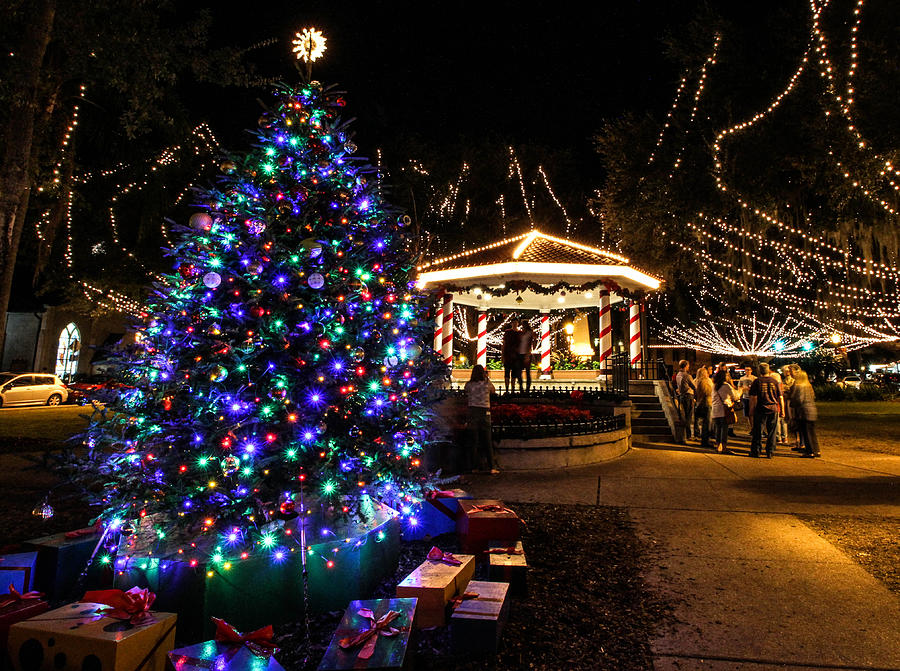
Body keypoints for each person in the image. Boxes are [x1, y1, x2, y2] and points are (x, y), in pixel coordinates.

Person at [464, 364, 499, 474]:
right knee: (487, 440)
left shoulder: (469, 384)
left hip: (472, 411)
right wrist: (487, 378)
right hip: (485, 412)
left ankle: (473, 466)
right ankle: (492, 467)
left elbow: (466, 392)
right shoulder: (487, 384)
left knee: (473, 441)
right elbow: (493, 391)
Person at [748, 362, 783, 458]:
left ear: (759, 371)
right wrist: (782, 410)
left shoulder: (757, 381)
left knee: (758, 431)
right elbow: (780, 397)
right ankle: (770, 451)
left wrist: (751, 409)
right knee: (772, 431)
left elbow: (753, 397)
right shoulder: (774, 381)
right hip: (773, 408)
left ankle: (756, 451)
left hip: (761, 408)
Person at [791, 369, 820, 458]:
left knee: (806, 432)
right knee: (812, 432)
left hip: (803, 411)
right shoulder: (808, 386)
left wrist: (792, 401)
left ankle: (809, 451)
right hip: (812, 410)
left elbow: (799, 399)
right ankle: (816, 450)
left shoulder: (799, 386)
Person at [711, 368, 740, 452]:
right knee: (724, 429)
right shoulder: (726, 386)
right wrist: (740, 391)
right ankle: (723, 447)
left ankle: (718, 446)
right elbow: (735, 396)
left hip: (715, 410)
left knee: (718, 429)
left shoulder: (714, 386)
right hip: (724, 410)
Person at [675, 360, 696, 440]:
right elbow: (694, 386)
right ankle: (689, 435)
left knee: (683, 416)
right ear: (686, 366)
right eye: (688, 365)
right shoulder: (687, 375)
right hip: (688, 396)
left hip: (681, 396)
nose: (689, 367)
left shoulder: (678, 375)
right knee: (689, 416)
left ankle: (684, 434)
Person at [694, 367, 713, 448]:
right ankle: (705, 441)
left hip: (700, 403)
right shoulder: (704, 381)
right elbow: (708, 392)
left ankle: (704, 439)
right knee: (707, 423)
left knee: (704, 423)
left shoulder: (696, 381)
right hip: (707, 403)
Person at [501, 320, 521, 393]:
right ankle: (507, 388)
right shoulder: (508, 332)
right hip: (508, 356)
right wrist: (502, 355)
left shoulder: (519, 333)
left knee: (514, 374)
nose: (515, 324)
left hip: (516, 356)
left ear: (518, 324)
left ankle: (513, 388)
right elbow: (504, 344)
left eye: (516, 323)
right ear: (511, 324)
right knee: (507, 373)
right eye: (513, 323)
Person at [737, 365, 757, 431]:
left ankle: (755, 427)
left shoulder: (754, 378)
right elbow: (739, 387)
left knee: (753, 413)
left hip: (753, 397)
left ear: (751, 370)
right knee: (748, 414)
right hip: (745, 397)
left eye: (748, 370)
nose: (747, 371)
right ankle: (752, 427)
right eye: (746, 370)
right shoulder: (742, 378)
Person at [518, 321, 535, 393]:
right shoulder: (520, 333)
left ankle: (527, 388)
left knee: (527, 372)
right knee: (519, 372)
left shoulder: (530, 333)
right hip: (519, 354)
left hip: (527, 353)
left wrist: (528, 354)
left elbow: (531, 343)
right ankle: (521, 387)